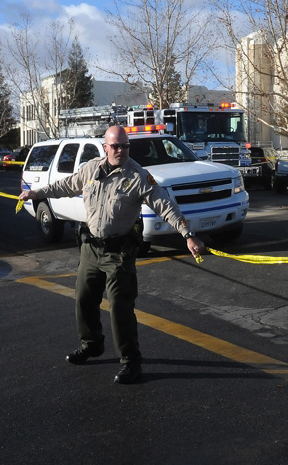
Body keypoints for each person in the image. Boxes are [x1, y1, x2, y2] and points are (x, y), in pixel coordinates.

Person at [18, 126, 206, 385]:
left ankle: (131, 361)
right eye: (116, 146)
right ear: (105, 147)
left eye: (126, 146)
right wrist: (37, 193)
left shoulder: (138, 176)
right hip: (90, 249)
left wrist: (187, 234)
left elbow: (165, 205)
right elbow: (67, 185)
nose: (121, 150)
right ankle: (92, 344)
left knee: (120, 307)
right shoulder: (91, 168)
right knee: (83, 299)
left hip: (119, 253)